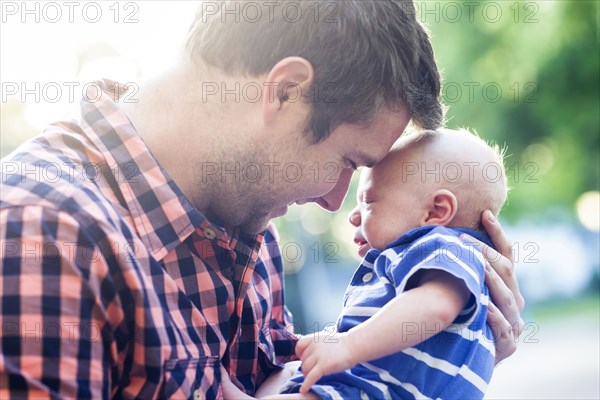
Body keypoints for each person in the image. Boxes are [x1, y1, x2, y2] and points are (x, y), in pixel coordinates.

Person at [0, 1, 523, 399]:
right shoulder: (44, 234)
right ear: (286, 91)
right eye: (348, 163)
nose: (333, 200)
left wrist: (431, 363)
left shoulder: (248, 229)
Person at [279, 129, 508, 399]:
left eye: (369, 201)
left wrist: (347, 346)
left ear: (436, 211)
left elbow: (436, 306)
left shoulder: (445, 247)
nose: (353, 216)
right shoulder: (422, 261)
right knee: (287, 374)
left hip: (382, 391)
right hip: (373, 386)